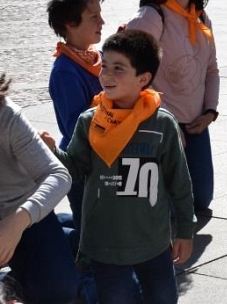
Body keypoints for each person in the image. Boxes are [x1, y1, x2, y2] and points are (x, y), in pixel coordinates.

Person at [44, 30, 194, 304]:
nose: (107, 74)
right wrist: (53, 151)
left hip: (154, 243)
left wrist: (185, 230)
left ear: (144, 79)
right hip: (104, 245)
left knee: (163, 298)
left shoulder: (162, 124)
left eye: (118, 68)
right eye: (105, 66)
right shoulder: (89, 121)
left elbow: (179, 182)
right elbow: (76, 170)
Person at [127, 0, 219, 212]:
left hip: (196, 123)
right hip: (157, 123)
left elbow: (212, 68)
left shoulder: (201, 16)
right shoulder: (151, 17)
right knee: (155, 203)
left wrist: (210, 112)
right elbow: (130, 77)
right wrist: (165, 120)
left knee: (201, 200)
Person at [0, 73, 79, 304]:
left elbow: (58, 175)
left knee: (59, 290)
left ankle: (73, 234)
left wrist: (18, 221)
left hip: (21, 213)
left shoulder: (6, 113)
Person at [47, 0, 104, 230]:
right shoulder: (65, 71)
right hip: (83, 165)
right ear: (71, 24)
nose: (102, 21)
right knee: (90, 235)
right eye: (94, 17)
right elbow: (76, 127)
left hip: (106, 158)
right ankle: (51, 231)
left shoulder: (97, 56)